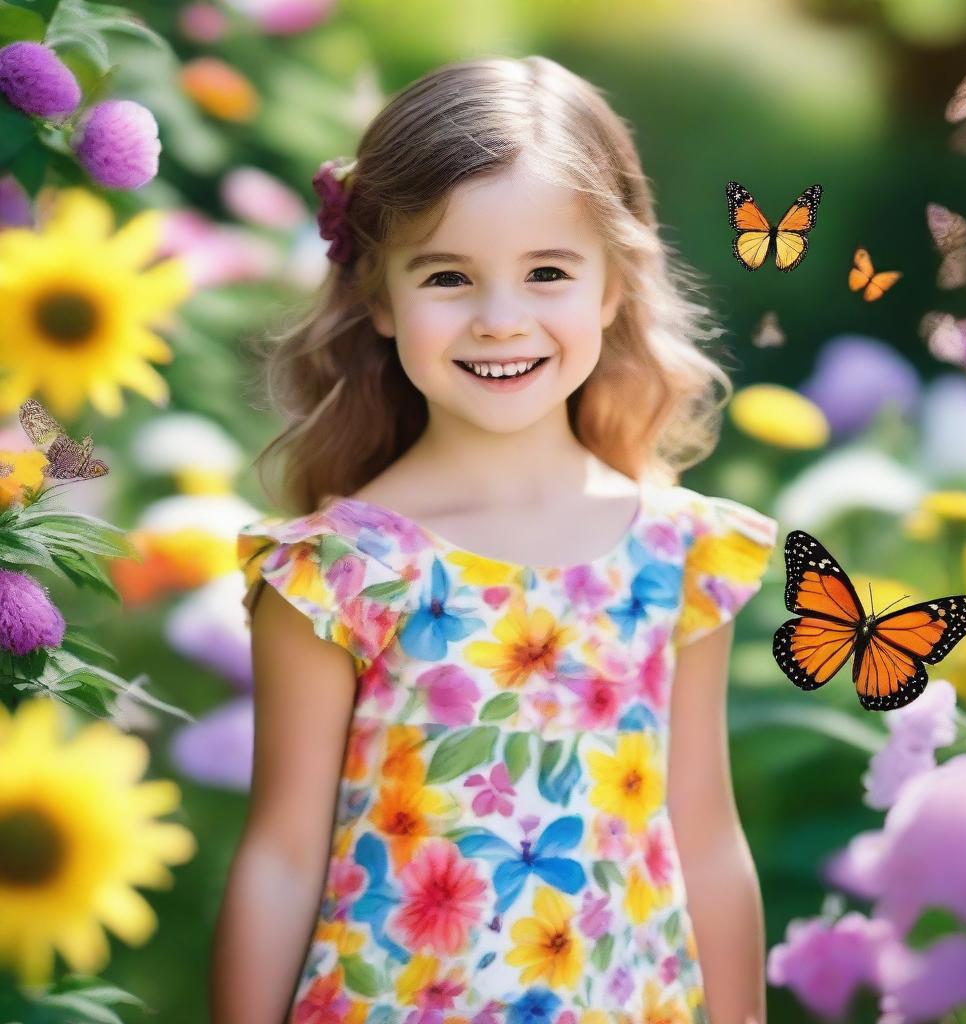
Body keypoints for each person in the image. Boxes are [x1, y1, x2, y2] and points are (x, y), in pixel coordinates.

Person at [210, 53, 778, 1024]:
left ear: (613, 286)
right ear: (380, 299)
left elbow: (707, 838)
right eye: (448, 276)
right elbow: (281, 857)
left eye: (547, 272)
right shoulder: (337, 574)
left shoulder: (677, 555)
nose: (500, 319)